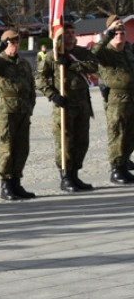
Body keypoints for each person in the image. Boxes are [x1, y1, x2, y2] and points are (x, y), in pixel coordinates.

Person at [38, 22, 98, 192]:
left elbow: (94, 66)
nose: (71, 35)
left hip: (82, 104)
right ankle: (65, 176)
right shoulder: (53, 55)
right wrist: (53, 95)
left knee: (81, 141)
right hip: (64, 106)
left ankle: (75, 174)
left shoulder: (81, 53)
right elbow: (40, 79)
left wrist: (71, 65)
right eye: (67, 33)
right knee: (65, 142)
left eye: (73, 32)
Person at [0, 30, 37, 200]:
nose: (14, 46)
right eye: (10, 43)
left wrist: (30, 106)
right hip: (6, 111)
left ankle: (16, 182)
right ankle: (5, 184)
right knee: (7, 147)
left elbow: (31, 86)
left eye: (16, 42)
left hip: (23, 110)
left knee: (22, 148)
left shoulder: (23, 63)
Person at [91, 17, 134, 185]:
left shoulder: (128, 50)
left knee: (130, 134)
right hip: (117, 98)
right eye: (116, 32)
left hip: (131, 96)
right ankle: (115, 169)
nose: (120, 35)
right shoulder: (105, 52)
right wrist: (107, 35)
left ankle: (123, 165)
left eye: (122, 31)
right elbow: (92, 53)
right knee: (118, 133)